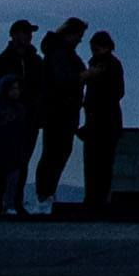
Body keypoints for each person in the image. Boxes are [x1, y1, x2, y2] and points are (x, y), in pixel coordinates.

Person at [0, 17, 41, 218]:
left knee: (20, 165)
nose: (28, 37)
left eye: (29, 34)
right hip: (7, 122)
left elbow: (42, 88)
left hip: (28, 120)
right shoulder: (2, 61)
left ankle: (12, 204)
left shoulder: (35, 61)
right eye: (25, 33)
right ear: (14, 35)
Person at [28, 20, 89, 210]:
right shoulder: (60, 54)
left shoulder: (61, 53)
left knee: (57, 153)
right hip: (59, 112)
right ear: (70, 34)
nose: (80, 40)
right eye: (78, 36)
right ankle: (44, 195)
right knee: (55, 153)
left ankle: (46, 193)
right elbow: (63, 81)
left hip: (63, 112)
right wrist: (83, 77)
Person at [75, 22, 126, 208]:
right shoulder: (98, 65)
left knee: (100, 164)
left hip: (104, 123)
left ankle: (98, 199)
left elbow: (117, 92)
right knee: (95, 164)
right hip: (97, 123)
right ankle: (94, 199)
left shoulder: (110, 65)